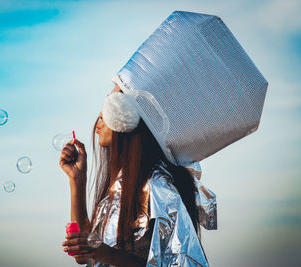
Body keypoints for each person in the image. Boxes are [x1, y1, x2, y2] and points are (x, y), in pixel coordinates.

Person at [59, 82, 209, 267]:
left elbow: (175, 262)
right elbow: (85, 256)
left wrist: (106, 254)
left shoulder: (159, 187)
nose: (100, 115)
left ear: (131, 118)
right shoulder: (119, 186)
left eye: (111, 105)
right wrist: (77, 180)